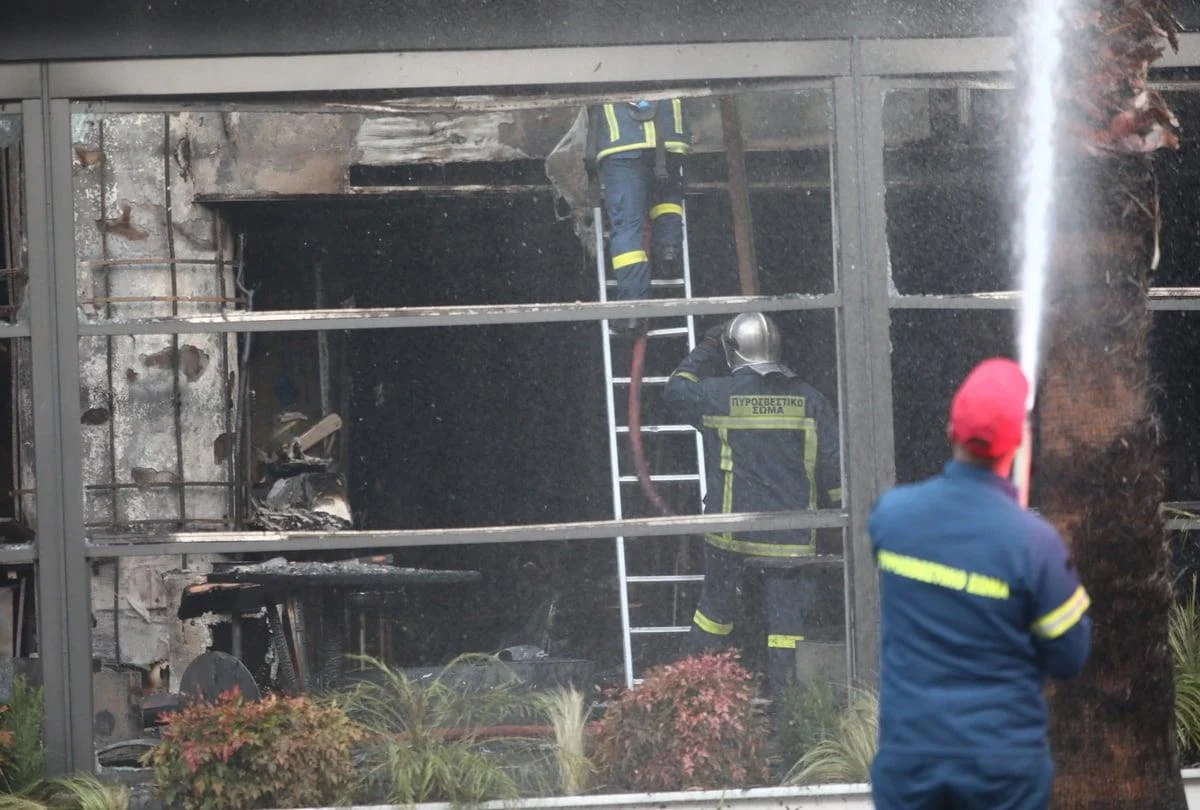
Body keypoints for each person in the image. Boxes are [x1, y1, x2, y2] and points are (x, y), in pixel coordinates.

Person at [868, 357, 1092, 810]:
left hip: (910, 764)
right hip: (1001, 772)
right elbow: (1069, 657)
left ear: (951, 431)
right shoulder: (1035, 545)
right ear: (1017, 444)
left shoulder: (891, 517)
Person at [662, 312, 842, 700]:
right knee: (787, 632)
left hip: (731, 535)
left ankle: (690, 701)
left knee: (713, 619)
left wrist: (708, 347)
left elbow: (675, 389)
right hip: (791, 540)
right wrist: (842, 525)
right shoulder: (811, 401)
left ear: (735, 351)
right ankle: (789, 715)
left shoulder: (715, 395)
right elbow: (835, 471)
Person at [587, 99, 690, 335]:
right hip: (669, 133)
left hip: (621, 141)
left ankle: (633, 309)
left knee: (627, 226)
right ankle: (668, 252)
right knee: (667, 200)